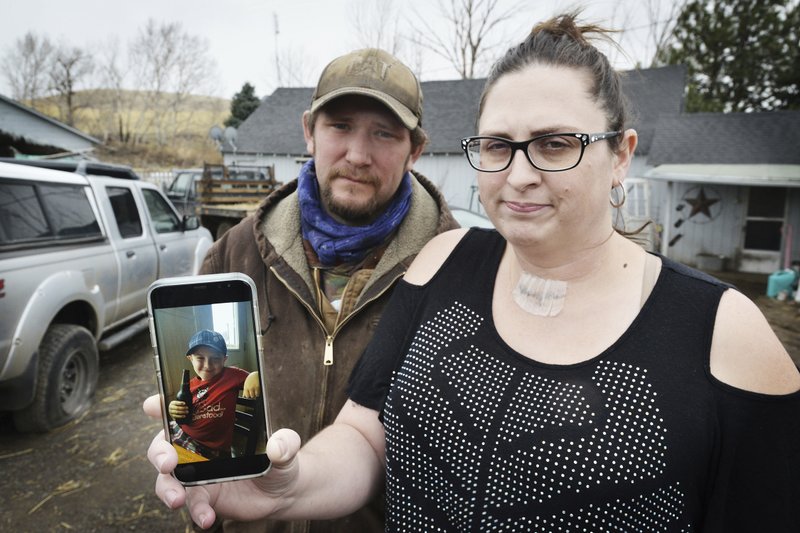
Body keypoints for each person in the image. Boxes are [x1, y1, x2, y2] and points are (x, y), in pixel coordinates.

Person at [147, 13, 800, 532]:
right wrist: (287, 482)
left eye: (554, 143)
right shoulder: (442, 266)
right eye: (496, 146)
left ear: (621, 154)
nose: (518, 175)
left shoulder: (724, 336)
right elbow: (365, 437)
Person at [149, 47, 458, 532]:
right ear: (309, 131)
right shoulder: (235, 256)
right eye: (340, 126)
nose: (358, 155)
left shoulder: (457, 272)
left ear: (415, 149)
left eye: (384, 133)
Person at [169, 329, 261, 459]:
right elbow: (182, 413)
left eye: (216, 358)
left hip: (212, 449)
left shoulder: (232, 376)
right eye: (200, 358)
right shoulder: (188, 385)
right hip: (182, 434)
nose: (208, 365)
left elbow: (263, 379)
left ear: (224, 359)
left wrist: (256, 375)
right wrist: (174, 409)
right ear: (190, 359)